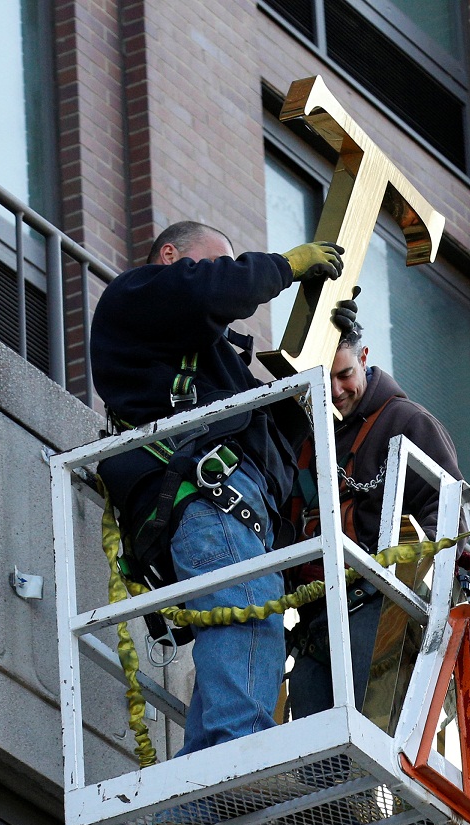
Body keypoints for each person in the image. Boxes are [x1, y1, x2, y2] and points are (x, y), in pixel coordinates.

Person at [91, 220, 347, 754]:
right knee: (249, 621)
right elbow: (210, 289)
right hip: (206, 495)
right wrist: (287, 266)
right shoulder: (136, 293)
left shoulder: (201, 358)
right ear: (169, 257)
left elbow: (278, 422)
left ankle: (204, 795)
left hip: (226, 504)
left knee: (240, 628)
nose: (224, 277)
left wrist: (331, 350)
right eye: (213, 263)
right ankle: (242, 756)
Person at [290, 297, 464, 719]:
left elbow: (445, 517)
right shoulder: (309, 437)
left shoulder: (407, 422)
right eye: (323, 378)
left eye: (345, 374)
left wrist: (400, 590)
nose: (335, 391)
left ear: (365, 359)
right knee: (316, 752)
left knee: (367, 734)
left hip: (381, 607)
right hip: (317, 618)